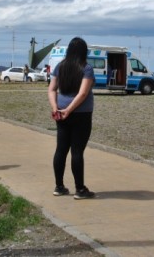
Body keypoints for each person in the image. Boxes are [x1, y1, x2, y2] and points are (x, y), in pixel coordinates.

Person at [47, 37, 95, 200]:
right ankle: (80, 189)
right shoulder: (86, 68)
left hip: (61, 113)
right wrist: (69, 109)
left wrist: (56, 108)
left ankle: (59, 187)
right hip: (81, 115)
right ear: (84, 52)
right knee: (77, 151)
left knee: (61, 149)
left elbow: (52, 89)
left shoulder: (60, 67)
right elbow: (83, 93)